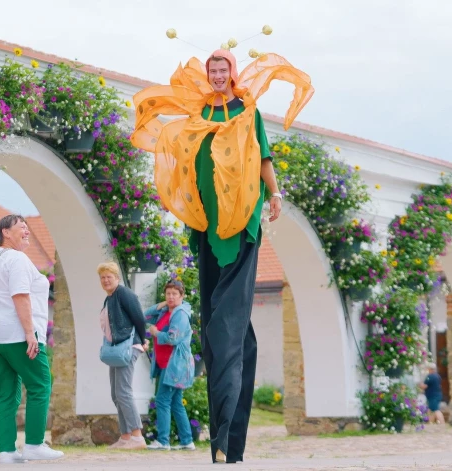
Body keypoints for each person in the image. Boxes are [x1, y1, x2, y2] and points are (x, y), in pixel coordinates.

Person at [131, 48, 313, 463]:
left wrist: (276, 193)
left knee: (226, 328)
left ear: (232, 73)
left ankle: (225, 442)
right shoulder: (197, 113)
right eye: (212, 69)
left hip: (241, 217)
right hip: (206, 222)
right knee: (222, 327)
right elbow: (181, 156)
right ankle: (227, 445)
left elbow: (263, 156)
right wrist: (171, 194)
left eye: (222, 69)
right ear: (207, 74)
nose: (216, 75)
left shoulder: (247, 111)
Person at [0, 215, 64, 464]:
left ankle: (6, 451)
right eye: (20, 227)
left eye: (27, 226)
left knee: (5, 393)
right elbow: (20, 296)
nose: (27, 230)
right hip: (16, 334)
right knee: (40, 385)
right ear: (5, 232)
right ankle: (35, 444)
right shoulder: (16, 259)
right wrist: (29, 333)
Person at [97, 261, 149, 450]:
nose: (105, 280)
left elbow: (139, 318)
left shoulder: (124, 294)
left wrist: (143, 340)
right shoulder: (109, 298)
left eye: (109, 276)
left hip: (129, 346)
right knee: (116, 393)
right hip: (117, 348)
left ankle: (137, 436)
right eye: (102, 277)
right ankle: (125, 437)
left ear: (117, 278)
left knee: (123, 391)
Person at [144, 280, 196, 451]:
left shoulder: (180, 314)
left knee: (162, 400)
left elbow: (173, 338)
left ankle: (163, 441)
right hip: (166, 363)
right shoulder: (167, 310)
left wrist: (156, 333)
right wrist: (163, 304)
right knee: (175, 403)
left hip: (175, 365)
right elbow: (145, 315)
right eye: (168, 293)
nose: (171, 296)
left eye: (175, 294)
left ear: (182, 296)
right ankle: (187, 441)